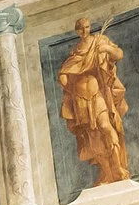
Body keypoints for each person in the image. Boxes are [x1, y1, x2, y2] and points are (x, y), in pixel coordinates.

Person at [55, 17, 130, 186]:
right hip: (80, 98)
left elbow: (119, 54)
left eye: (87, 27)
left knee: (105, 126)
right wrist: (71, 89)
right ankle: (106, 172)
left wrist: (106, 48)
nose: (85, 31)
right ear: (77, 31)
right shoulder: (76, 51)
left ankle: (118, 167)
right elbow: (63, 75)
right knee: (92, 137)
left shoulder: (99, 41)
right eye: (81, 28)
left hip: (97, 94)